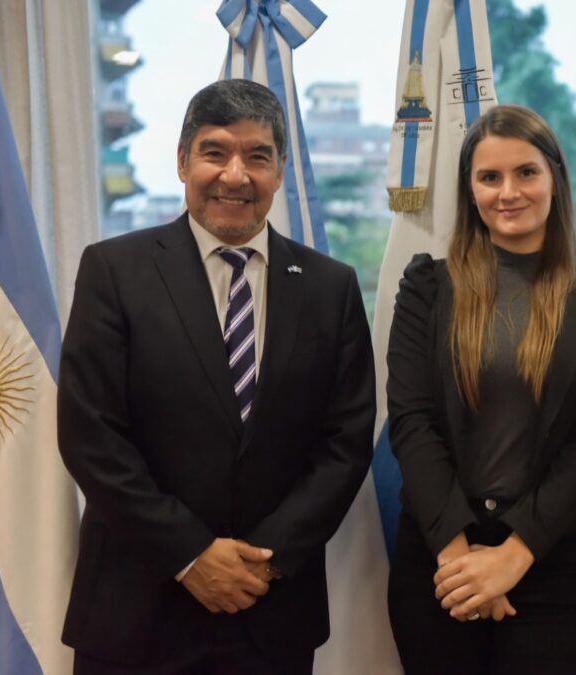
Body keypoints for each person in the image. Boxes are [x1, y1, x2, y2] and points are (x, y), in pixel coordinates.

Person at [57, 79, 375, 674]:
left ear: (279, 171)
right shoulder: (114, 271)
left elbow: (345, 442)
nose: (235, 175)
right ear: (183, 162)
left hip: (270, 614)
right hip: (136, 613)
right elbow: (90, 435)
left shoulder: (331, 287)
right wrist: (191, 555)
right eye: (215, 152)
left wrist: (264, 561)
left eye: (257, 156)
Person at [385, 104, 576, 674]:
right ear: (470, 189)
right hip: (439, 562)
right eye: (489, 177)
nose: (508, 192)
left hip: (550, 564)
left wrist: (512, 557)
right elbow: (411, 421)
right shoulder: (427, 289)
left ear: (555, 178)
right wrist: (461, 562)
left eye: (526, 172)